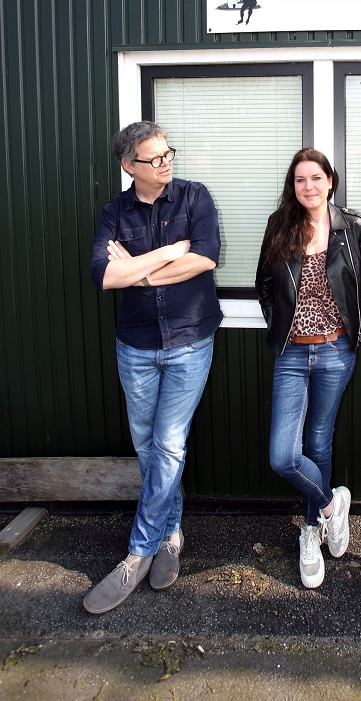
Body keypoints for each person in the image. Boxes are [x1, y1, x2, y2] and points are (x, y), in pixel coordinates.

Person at [85, 121, 222, 614]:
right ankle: (171, 535)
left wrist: (136, 270)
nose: (166, 162)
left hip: (189, 341)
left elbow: (205, 258)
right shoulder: (114, 212)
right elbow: (105, 275)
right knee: (148, 445)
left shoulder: (194, 197)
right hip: (136, 347)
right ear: (129, 166)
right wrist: (165, 255)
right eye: (154, 158)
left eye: (168, 153)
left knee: (167, 443)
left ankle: (138, 551)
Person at [256, 148, 361, 588]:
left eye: (315, 178)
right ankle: (332, 504)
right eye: (299, 180)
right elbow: (264, 286)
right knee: (284, 456)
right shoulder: (280, 226)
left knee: (319, 444)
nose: (307, 186)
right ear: (293, 187)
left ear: (331, 180)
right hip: (292, 353)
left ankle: (312, 530)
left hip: (335, 352)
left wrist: (351, 333)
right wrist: (281, 328)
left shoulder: (353, 228)